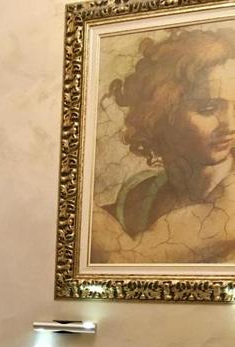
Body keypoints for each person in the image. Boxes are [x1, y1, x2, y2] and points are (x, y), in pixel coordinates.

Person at [92, 27, 235, 264]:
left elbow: (128, 261)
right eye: (208, 108)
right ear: (160, 111)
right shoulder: (146, 190)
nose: (230, 125)